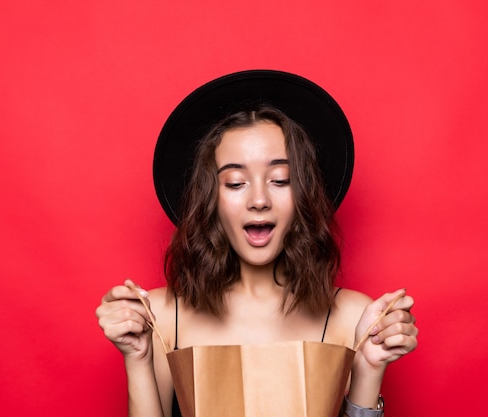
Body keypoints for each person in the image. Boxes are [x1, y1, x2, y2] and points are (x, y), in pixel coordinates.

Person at [96, 70, 418, 417]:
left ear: (303, 196)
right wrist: (138, 357)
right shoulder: (161, 316)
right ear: (211, 200)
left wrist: (369, 370)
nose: (259, 199)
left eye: (280, 179)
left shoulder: (352, 318)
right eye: (235, 183)